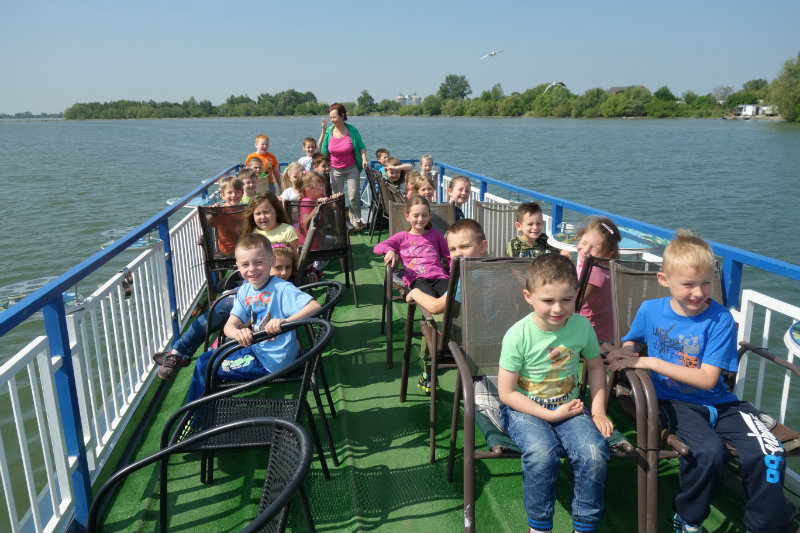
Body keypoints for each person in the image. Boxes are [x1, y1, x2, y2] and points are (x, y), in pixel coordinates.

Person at [606, 231, 789, 533]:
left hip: (722, 403)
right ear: (664, 280)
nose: (698, 292)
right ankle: (689, 520)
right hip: (672, 402)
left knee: (771, 454)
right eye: (688, 284)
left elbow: (707, 379)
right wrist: (626, 352)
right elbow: (633, 339)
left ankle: (765, 526)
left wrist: (650, 362)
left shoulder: (720, 318)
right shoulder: (650, 310)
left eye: (705, 283)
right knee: (708, 452)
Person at [498, 253, 612, 533]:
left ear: (577, 294)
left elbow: (596, 366)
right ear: (529, 296)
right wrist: (550, 415)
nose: (558, 308)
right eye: (548, 300)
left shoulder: (582, 326)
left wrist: (598, 410)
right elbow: (506, 393)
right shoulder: (517, 335)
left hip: (570, 406)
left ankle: (584, 526)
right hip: (525, 408)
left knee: (593, 453)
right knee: (542, 454)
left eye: (567, 299)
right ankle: (539, 527)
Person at [184, 233, 321, 403]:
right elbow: (229, 326)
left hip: (273, 361)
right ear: (238, 267)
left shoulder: (282, 288)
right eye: (245, 264)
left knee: (205, 366)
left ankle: (196, 413)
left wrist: (285, 322)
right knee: (206, 358)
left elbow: (314, 306)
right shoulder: (246, 290)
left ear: (271, 261)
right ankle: (209, 406)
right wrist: (237, 333)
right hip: (258, 349)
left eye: (258, 262)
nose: (252, 269)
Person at [405, 218, 488, 392]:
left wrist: (415, 293)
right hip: (497, 337)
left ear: (483, 247)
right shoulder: (498, 269)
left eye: (465, 246)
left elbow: (436, 306)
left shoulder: (470, 278)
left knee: (429, 320)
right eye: (453, 249)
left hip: (469, 340)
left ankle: (429, 372)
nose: (458, 253)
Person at [374, 195, 450, 298]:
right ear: (407, 217)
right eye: (416, 216)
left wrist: (453, 271)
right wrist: (390, 250)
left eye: (424, 215)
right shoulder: (402, 237)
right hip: (416, 278)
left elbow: (449, 254)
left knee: (451, 296)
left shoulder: (435, 235)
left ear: (429, 216)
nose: (420, 219)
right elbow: (378, 247)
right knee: (431, 296)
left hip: (438, 276)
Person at [319, 103, 368, 229]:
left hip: (351, 167)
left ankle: (355, 221)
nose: (332, 120)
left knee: (354, 196)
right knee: (336, 197)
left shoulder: (352, 130)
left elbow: (361, 147)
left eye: (334, 117)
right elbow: (323, 151)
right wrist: (323, 166)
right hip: (334, 169)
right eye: (331, 117)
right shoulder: (329, 132)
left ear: (342, 115)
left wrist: (364, 159)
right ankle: (338, 221)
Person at [574, 217, 621, 343]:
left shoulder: (593, 272)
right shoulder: (603, 266)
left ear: (607, 254)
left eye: (594, 248)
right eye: (584, 242)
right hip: (605, 332)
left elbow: (574, 303)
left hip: (592, 336)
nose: (586, 250)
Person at [211, 175, 244, 255]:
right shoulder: (221, 211)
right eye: (230, 192)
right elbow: (210, 223)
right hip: (228, 251)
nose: (234, 195)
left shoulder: (244, 209)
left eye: (237, 192)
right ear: (223, 195)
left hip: (245, 247)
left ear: (242, 194)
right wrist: (213, 213)